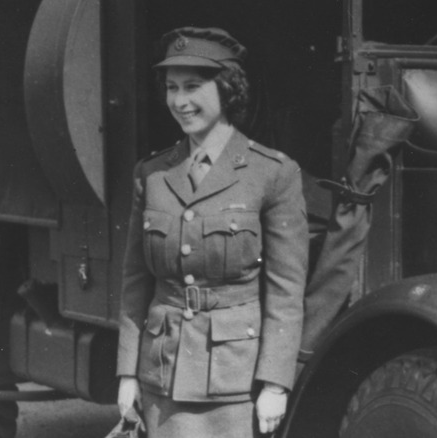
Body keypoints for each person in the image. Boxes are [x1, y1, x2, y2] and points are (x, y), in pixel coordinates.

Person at [116, 27, 308, 437]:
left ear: (227, 89)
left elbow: (285, 290)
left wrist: (275, 382)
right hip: (162, 375)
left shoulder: (272, 174)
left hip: (233, 380)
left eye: (193, 87)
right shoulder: (151, 175)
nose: (179, 101)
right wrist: (127, 374)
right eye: (171, 88)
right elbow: (135, 283)